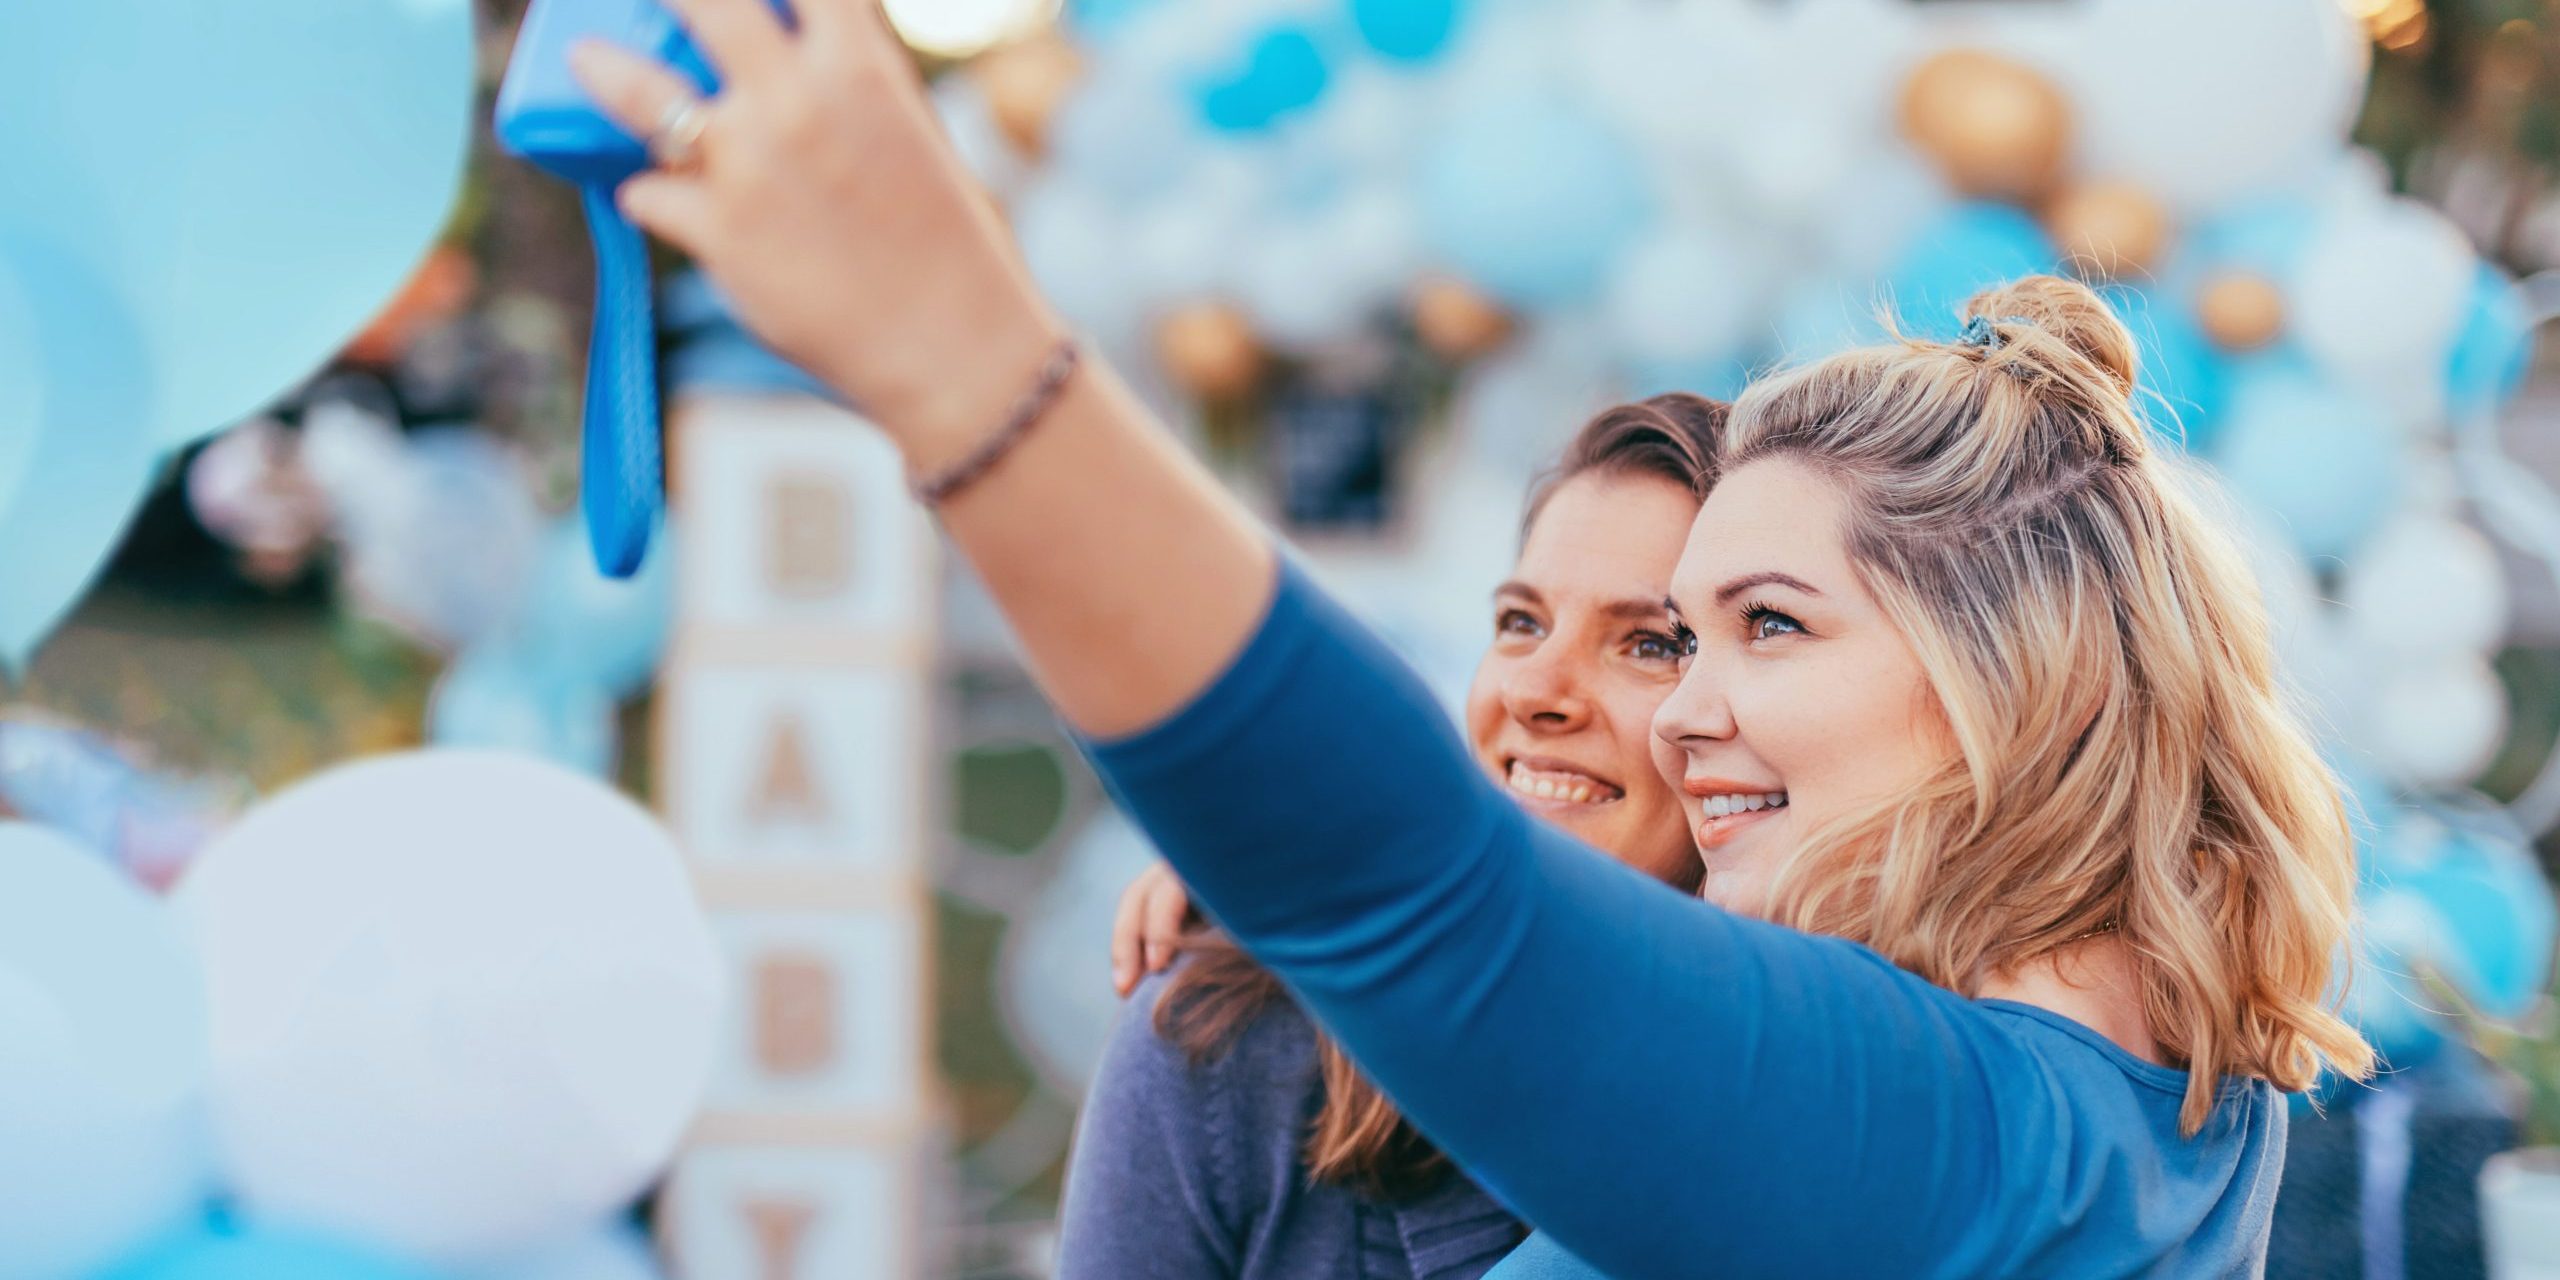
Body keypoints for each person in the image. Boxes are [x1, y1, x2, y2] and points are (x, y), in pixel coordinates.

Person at [569, 5, 2374, 1275]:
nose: (1683, 715)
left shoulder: (1969, 1138)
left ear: (2014, 673)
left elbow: (1420, 889)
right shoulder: (2156, 1100)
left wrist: (957, 353)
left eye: (1760, 627)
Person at [1061, 396, 1725, 1280]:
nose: (1533, 690)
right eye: (1522, 623)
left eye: (1647, 642)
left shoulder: (1879, 1083)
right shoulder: (1234, 1043)